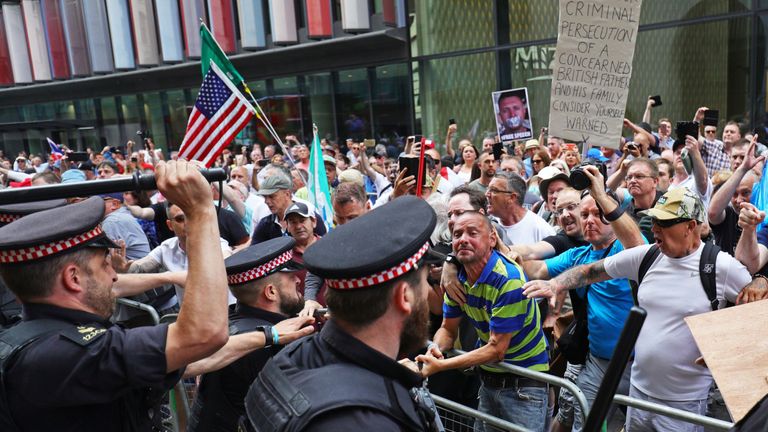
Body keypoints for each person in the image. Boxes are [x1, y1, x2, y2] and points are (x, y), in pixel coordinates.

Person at [0, 161, 231, 430]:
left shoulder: (41, 339)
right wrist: (201, 211)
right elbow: (205, 333)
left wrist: (267, 335)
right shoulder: (66, 354)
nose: (113, 276)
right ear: (73, 278)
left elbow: (186, 359)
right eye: (104, 264)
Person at [524, 187, 753, 432]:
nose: (654, 228)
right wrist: (555, 284)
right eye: (654, 220)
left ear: (691, 226)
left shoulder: (720, 266)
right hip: (637, 395)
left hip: (683, 405)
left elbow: (757, 314)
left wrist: (726, 351)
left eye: (664, 222)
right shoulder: (647, 256)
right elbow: (591, 271)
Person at [244, 196, 444, 430]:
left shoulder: (294, 356)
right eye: (425, 284)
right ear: (405, 296)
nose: (428, 292)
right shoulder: (366, 422)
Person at [521, 165, 645, 432]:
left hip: (641, 365)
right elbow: (536, 266)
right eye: (585, 213)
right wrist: (508, 252)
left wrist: (601, 194)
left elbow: (637, 244)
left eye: (598, 214)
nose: (589, 220)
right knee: (585, 425)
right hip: (598, 364)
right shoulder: (578, 255)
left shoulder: (627, 248)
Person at [419, 210, 549, 431]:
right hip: (488, 382)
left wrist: (442, 365)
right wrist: (435, 350)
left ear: (491, 239)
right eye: (457, 234)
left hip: (524, 386)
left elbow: (497, 349)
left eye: (472, 232)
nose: (463, 239)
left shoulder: (508, 279)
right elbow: (447, 330)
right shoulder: (455, 279)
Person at [188, 237, 308, 432]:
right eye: (290, 276)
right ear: (271, 292)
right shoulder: (265, 345)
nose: (297, 279)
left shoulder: (228, 320)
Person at [709, 139, 763, 256]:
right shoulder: (727, 214)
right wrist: (743, 169)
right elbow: (712, 213)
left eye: (745, 193)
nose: (738, 200)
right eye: (734, 194)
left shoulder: (764, 217)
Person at [486, 171, 555, 245]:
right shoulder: (488, 225)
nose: (487, 194)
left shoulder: (541, 229)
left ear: (512, 197)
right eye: (488, 189)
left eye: (494, 190)